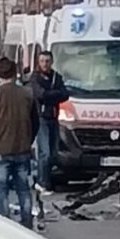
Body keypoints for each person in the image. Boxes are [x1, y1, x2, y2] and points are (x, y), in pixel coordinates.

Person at [0, 56, 40, 229]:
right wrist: (27, 140)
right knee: (23, 188)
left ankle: (5, 225)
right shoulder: (27, 95)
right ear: (15, 73)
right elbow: (35, 122)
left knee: (1, 190)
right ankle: (27, 222)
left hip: (0, 149)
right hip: (22, 149)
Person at [30, 50, 69, 195]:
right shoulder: (35, 78)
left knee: (53, 153)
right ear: (38, 62)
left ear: (51, 62)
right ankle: (42, 183)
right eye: (42, 61)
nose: (45, 64)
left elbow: (65, 94)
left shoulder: (56, 77)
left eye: (47, 61)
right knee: (44, 152)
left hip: (54, 118)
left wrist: (50, 95)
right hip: (41, 118)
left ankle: (47, 181)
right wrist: (54, 95)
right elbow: (40, 95)